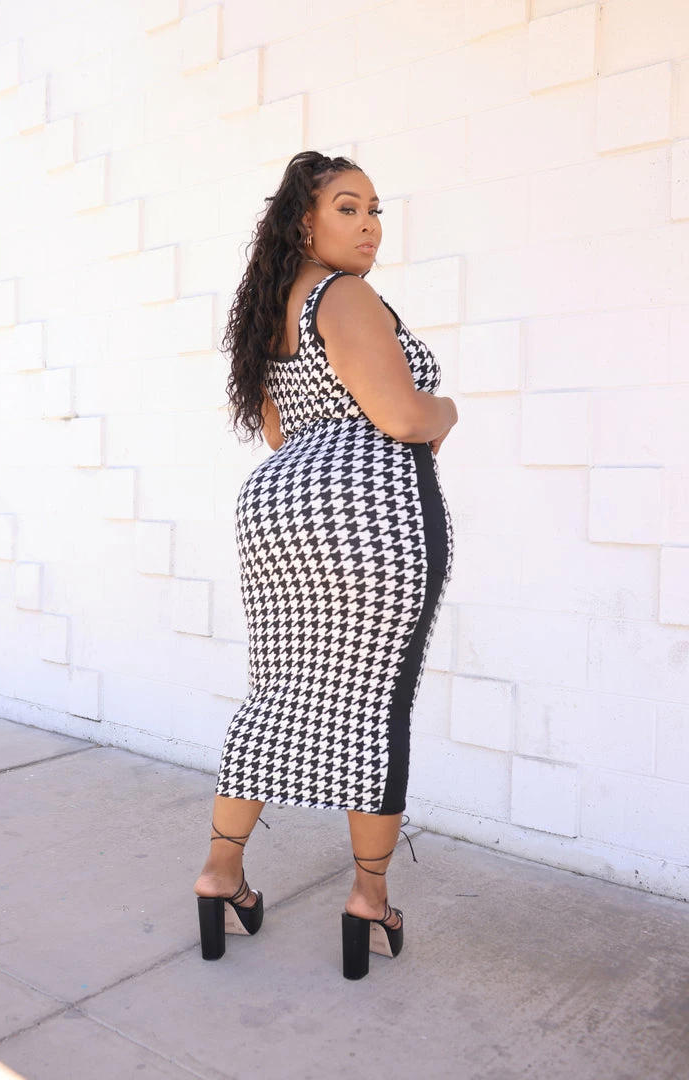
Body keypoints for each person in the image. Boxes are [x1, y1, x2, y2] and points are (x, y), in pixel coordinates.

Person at [194, 151, 458, 979]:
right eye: (348, 208)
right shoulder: (343, 295)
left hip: (280, 513)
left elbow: (282, 434)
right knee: (375, 704)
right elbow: (401, 417)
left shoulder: (273, 309)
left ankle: (221, 875)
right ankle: (369, 902)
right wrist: (448, 408)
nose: (369, 225)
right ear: (303, 223)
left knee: (278, 695)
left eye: (375, 209)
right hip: (373, 518)